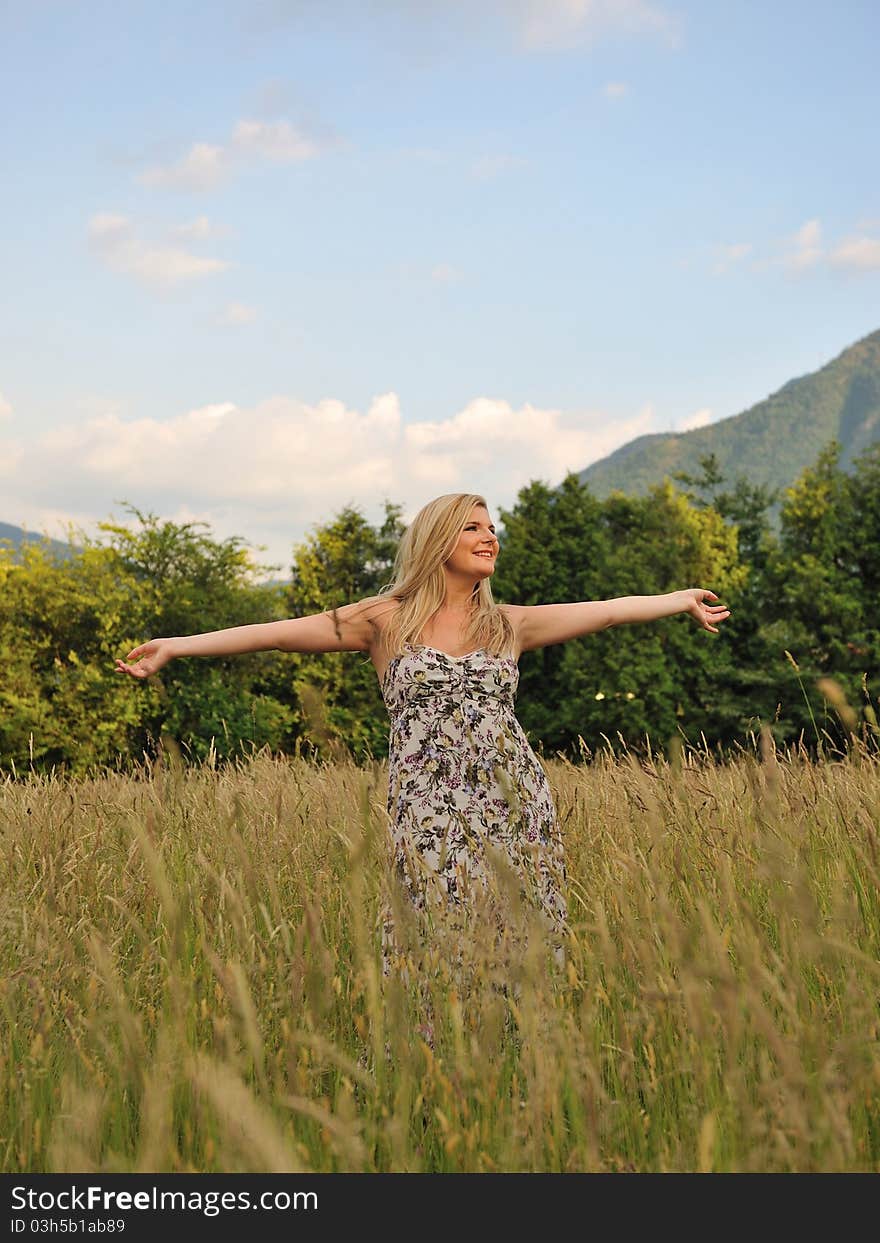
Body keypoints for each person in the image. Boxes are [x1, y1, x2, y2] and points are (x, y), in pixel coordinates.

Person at [115, 491, 730, 1008]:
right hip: (427, 805)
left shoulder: (508, 624)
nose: (489, 536)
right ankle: (431, 1068)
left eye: (492, 527)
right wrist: (176, 644)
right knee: (432, 926)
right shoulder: (384, 620)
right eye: (472, 526)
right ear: (439, 539)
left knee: (520, 927)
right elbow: (274, 635)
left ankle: (521, 1067)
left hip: (514, 799)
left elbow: (606, 614)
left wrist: (679, 601)